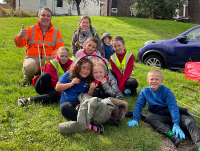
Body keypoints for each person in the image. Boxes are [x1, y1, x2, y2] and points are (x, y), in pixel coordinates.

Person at [128, 69, 200, 150]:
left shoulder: (167, 91)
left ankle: (199, 145)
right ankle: (171, 135)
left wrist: (176, 123)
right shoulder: (144, 92)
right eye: (152, 79)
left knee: (190, 121)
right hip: (159, 115)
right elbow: (139, 105)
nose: (154, 81)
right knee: (148, 117)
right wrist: (135, 119)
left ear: (161, 80)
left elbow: (173, 107)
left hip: (172, 114)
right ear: (147, 80)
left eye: (157, 79)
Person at [14, 7, 64, 85]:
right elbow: (19, 44)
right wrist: (19, 37)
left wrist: (51, 57)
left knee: (58, 66)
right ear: (38, 17)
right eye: (43, 15)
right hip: (33, 59)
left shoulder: (56, 32)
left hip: (48, 60)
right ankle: (28, 79)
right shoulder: (31, 29)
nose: (45, 17)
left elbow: (60, 48)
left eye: (48, 16)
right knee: (30, 67)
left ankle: (46, 79)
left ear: (51, 18)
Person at [55, 57, 104, 134]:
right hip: (68, 102)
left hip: (80, 102)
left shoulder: (87, 80)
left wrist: (91, 89)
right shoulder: (68, 74)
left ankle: (85, 122)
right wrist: (71, 84)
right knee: (64, 108)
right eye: (83, 68)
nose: (85, 71)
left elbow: (88, 97)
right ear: (77, 67)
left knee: (94, 104)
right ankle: (91, 124)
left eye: (88, 69)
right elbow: (57, 87)